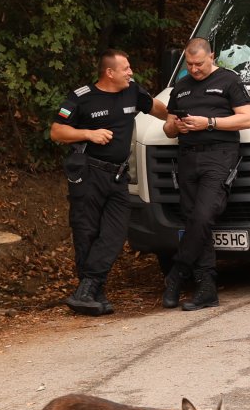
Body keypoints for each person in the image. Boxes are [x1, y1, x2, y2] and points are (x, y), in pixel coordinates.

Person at [51, 49, 169, 315]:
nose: (131, 72)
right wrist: (88, 134)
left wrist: (176, 117)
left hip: (118, 176)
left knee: (115, 232)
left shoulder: (133, 91)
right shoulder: (81, 97)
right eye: (126, 68)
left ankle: (88, 287)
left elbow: (157, 108)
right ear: (109, 72)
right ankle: (93, 293)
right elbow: (57, 131)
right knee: (86, 232)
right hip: (89, 174)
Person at [162, 37, 250, 310]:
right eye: (189, 64)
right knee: (193, 220)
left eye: (199, 64)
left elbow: (246, 119)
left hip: (219, 155)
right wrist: (176, 128)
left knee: (203, 216)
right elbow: (167, 128)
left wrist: (208, 122)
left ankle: (177, 275)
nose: (194, 69)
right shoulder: (180, 87)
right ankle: (206, 287)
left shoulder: (229, 80)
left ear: (211, 56)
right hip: (187, 157)